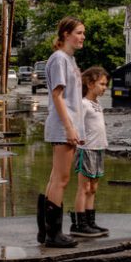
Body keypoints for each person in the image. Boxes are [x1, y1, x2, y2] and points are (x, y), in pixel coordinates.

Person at [36, 16, 85, 248]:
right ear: (65, 34)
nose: (82, 37)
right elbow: (57, 96)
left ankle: (45, 231)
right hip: (63, 126)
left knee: (56, 178)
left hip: (68, 125)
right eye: (78, 32)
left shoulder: (69, 60)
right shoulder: (59, 59)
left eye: (83, 33)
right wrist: (69, 128)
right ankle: (54, 234)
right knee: (61, 179)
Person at [70, 66, 110, 238]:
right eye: (101, 84)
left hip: (99, 149)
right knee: (84, 187)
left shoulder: (97, 104)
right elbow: (74, 123)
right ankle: (80, 224)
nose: (104, 87)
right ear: (90, 84)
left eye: (105, 84)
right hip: (86, 150)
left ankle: (91, 221)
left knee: (93, 187)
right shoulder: (84, 104)